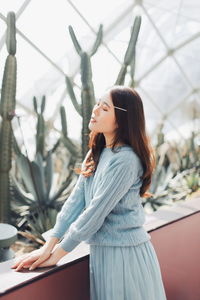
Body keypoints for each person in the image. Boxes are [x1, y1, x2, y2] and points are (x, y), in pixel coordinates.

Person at [11, 85, 167, 300]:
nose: (95, 110)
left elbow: (95, 212)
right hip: (103, 253)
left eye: (105, 108)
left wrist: (57, 254)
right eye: (97, 104)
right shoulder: (97, 154)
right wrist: (48, 245)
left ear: (123, 119)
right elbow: (75, 202)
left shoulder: (126, 160)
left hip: (125, 255)